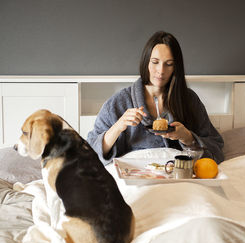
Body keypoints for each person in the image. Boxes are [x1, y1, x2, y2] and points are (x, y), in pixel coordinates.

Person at [87, 31, 224, 165]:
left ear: (176, 68)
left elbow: (216, 148)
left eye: (169, 64)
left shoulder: (189, 100)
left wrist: (188, 137)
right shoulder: (118, 103)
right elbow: (90, 153)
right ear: (146, 62)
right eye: (155, 62)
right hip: (135, 177)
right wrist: (118, 126)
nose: (161, 70)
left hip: (177, 176)